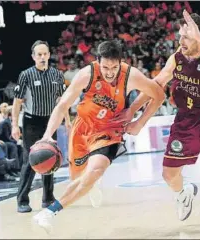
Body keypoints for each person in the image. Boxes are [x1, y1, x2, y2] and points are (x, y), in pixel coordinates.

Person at [115, 10, 200, 233]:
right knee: (169, 175)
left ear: (199, 36)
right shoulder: (177, 59)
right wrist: (133, 110)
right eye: (180, 36)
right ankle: (184, 193)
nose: (180, 40)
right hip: (186, 119)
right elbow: (157, 83)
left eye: (186, 36)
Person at [33, 40, 165, 232]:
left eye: (114, 67)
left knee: (94, 171)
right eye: (105, 67)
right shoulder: (86, 74)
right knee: (78, 179)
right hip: (83, 127)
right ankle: (92, 184)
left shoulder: (131, 76)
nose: (110, 72)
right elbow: (62, 105)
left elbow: (159, 95)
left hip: (109, 130)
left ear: (121, 62)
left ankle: (48, 213)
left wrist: (139, 122)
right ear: (97, 62)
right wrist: (47, 135)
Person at [11, 40, 67, 213]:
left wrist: (68, 120)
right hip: (31, 122)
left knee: (51, 157)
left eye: (45, 54)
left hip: (50, 121)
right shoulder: (26, 75)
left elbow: (62, 101)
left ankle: (48, 198)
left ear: (49, 55)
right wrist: (15, 125)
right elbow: (17, 102)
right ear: (33, 57)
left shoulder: (57, 75)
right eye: (39, 55)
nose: (42, 57)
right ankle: (22, 200)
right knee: (31, 159)